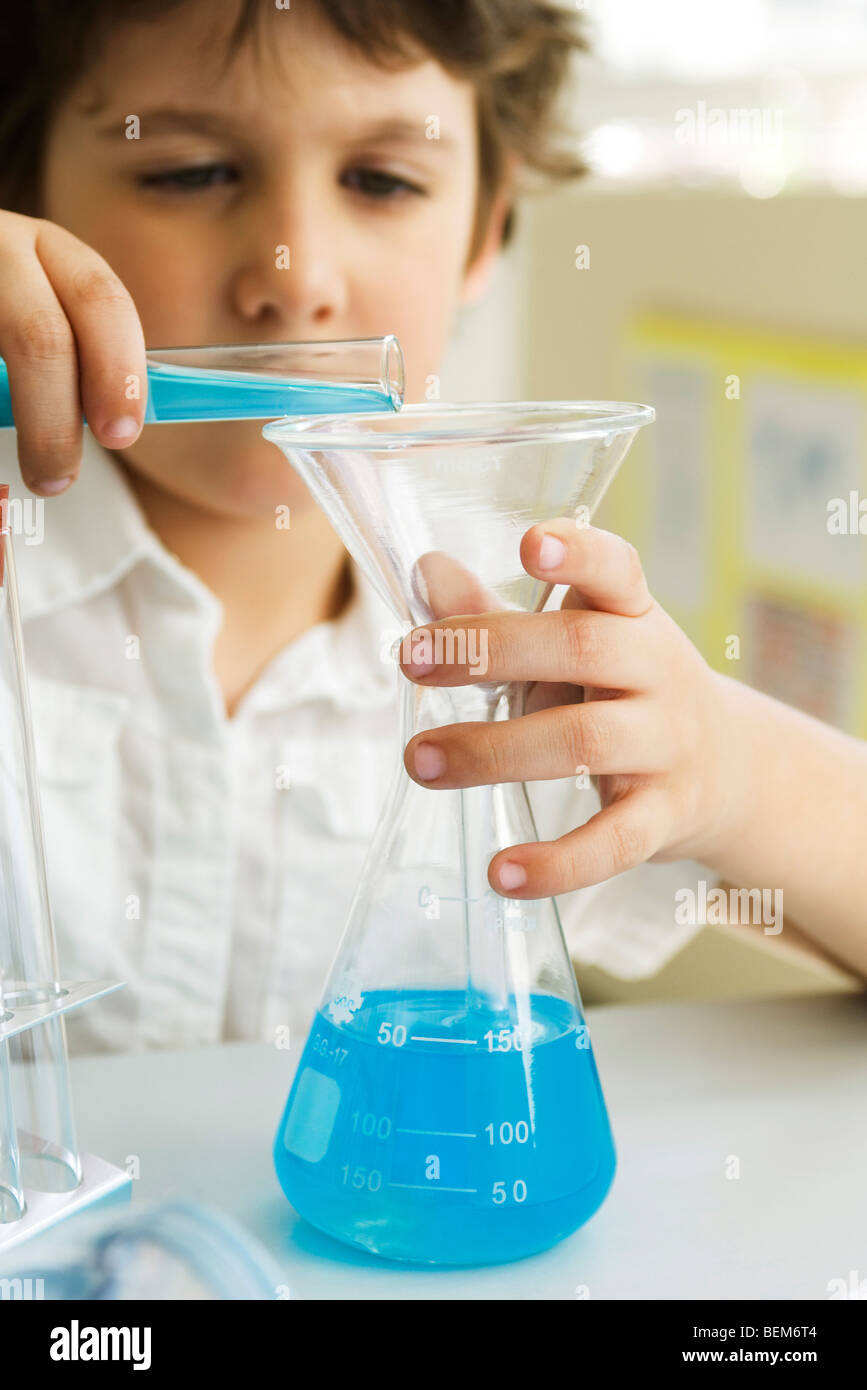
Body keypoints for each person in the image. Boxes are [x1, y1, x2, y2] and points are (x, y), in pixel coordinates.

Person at [0, 0, 861, 1055]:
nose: (295, 277)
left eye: (383, 181)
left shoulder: (520, 666)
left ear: (486, 233)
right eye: (189, 172)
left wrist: (731, 768)